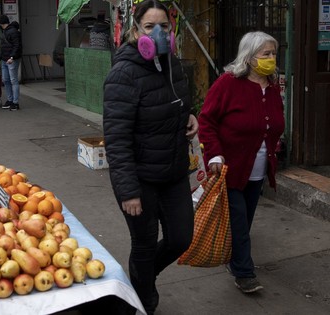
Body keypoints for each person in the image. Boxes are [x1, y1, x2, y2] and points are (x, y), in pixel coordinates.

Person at [102, 1, 199, 314]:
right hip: (139, 178)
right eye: (149, 27)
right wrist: (128, 191)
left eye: (164, 28)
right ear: (135, 30)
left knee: (181, 239)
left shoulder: (173, 63)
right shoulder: (123, 74)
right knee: (143, 244)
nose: (158, 34)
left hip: (172, 171)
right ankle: (144, 300)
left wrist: (189, 115)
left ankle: (140, 279)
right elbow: (116, 140)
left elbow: (178, 101)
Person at [198, 31, 285, 294]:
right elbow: (207, 121)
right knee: (239, 223)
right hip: (229, 168)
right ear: (249, 57)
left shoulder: (271, 86)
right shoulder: (228, 83)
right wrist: (213, 153)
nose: (271, 59)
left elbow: (273, 123)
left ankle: (234, 259)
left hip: (257, 169)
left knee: (244, 222)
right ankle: (245, 273)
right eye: (265, 54)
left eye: (273, 54)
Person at [0, 14, 22, 111]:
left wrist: (12, 57)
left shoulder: (13, 32)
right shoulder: (5, 31)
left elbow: (17, 46)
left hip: (11, 60)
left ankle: (15, 103)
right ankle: (10, 101)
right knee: (6, 80)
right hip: (5, 60)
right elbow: (3, 47)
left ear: (0, 23)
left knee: (13, 80)